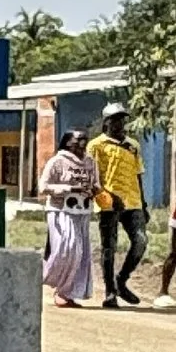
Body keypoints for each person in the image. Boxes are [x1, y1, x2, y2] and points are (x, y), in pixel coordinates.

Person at [90, 105, 148, 309]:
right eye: (115, 120)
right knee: (109, 248)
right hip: (108, 202)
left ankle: (121, 280)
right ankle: (109, 292)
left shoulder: (132, 145)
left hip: (133, 201)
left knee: (141, 241)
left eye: (122, 120)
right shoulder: (96, 145)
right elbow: (92, 176)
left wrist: (144, 203)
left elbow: (138, 174)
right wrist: (106, 196)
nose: (120, 124)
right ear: (106, 122)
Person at [39, 128, 96, 309]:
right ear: (68, 142)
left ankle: (66, 292)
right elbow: (43, 187)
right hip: (60, 210)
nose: (83, 143)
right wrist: (69, 189)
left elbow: (96, 183)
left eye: (85, 139)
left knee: (81, 253)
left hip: (83, 211)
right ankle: (45, 276)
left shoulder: (90, 162)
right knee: (69, 247)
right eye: (79, 139)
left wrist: (94, 190)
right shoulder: (57, 161)